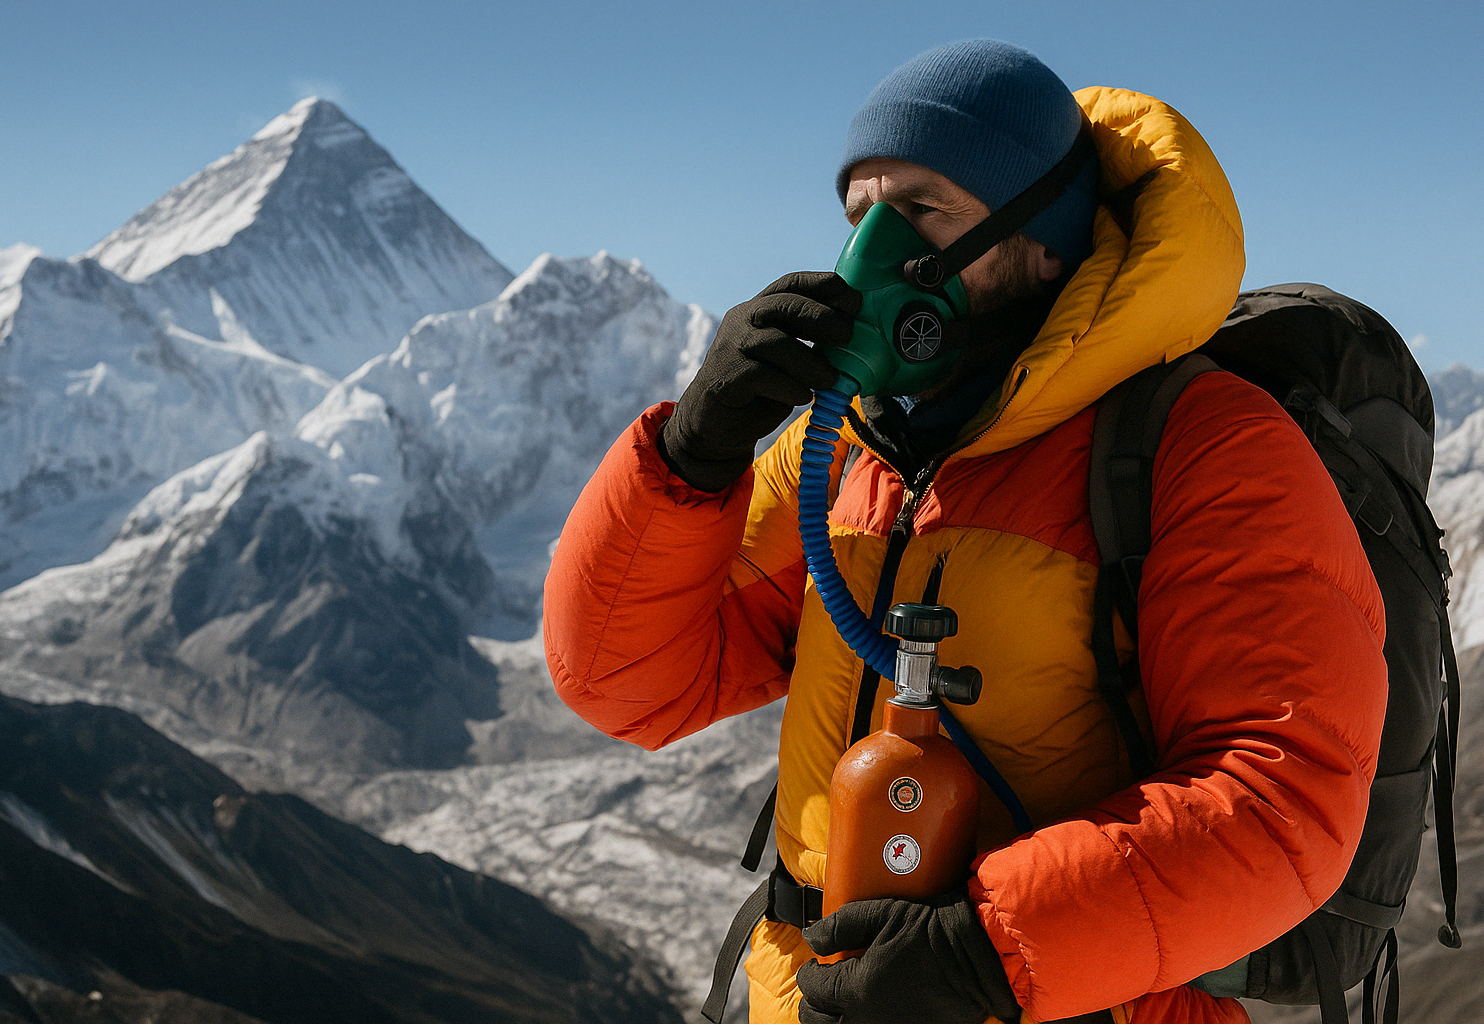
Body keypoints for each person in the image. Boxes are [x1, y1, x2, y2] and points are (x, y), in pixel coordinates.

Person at [543, 39, 1386, 1024]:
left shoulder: (1200, 446)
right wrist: (689, 461)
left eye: (923, 211)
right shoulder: (846, 454)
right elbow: (623, 682)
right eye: (862, 214)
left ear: (1045, 240)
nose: (874, 257)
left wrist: (988, 951)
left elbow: (1282, 797)